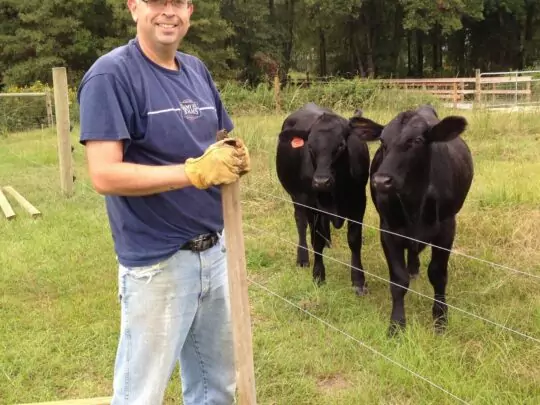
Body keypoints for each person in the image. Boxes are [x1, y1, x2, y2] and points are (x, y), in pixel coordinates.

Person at [76, 0, 250, 404]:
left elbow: (219, 136)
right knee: (141, 394)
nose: (168, 11)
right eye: (157, 1)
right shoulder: (111, 75)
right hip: (157, 264)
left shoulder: (196, 70)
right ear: (133, 7)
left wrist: (234, 152)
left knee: (216, 388)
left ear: (190, 10)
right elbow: (104, 174)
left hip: (215, 254)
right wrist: (193, 173)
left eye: (178, 2)